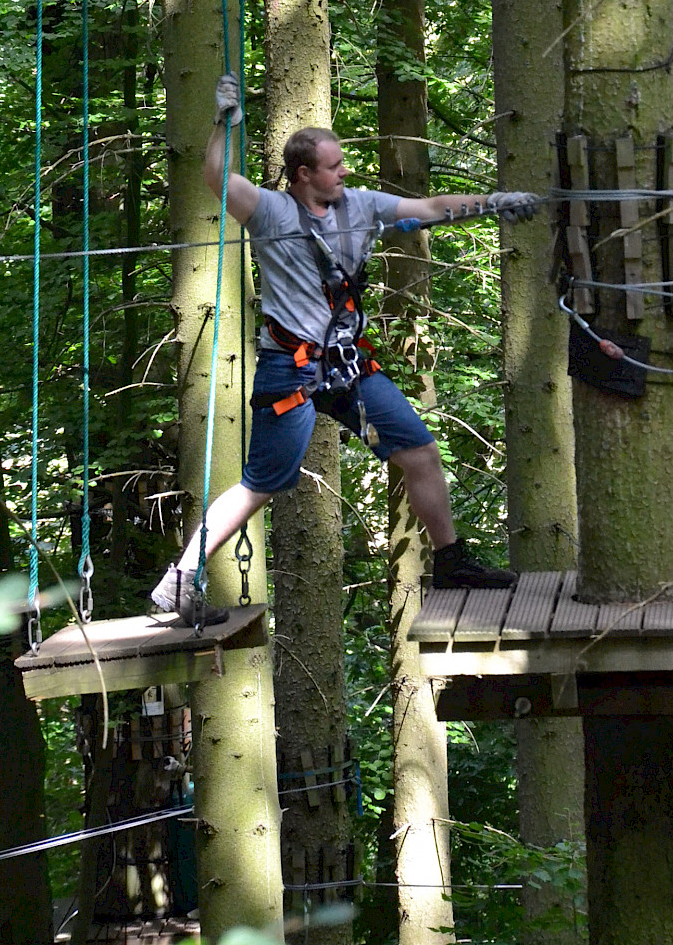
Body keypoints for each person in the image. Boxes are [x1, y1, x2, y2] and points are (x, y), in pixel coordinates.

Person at [152, 75, 540, 624]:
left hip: (349, 368)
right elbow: (217, 178)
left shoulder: (360, 206)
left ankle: (451, 561)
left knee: (421, 454)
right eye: (334, 166)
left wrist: (492, 202)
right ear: (304, 174)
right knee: (260, 485)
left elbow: (429, 207)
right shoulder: (270, 213)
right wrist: (223, 123)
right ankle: (178, 584)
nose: (345, 172)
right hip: (292, 370)